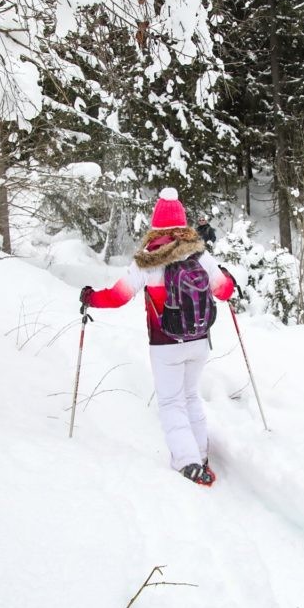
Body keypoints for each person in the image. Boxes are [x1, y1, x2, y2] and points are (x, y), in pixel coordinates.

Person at [80, 187, 235, 486]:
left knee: (171, 402)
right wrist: (226, 276)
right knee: (190, 396)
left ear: (156, 225)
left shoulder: (147, 262)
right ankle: (200, 455)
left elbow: (117, 296)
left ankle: (187, 462)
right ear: (182, 224)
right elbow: (224, 291)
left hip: (166, 344)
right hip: (200, 339)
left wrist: (91, 298)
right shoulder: (200, 255)